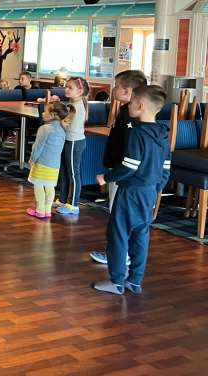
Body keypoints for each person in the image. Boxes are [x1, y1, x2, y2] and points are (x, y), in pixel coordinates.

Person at [93, 84, 170, 295]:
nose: (129, 106)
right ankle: (135, 281)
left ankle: (117, 282)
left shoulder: (136, 132)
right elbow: (165, 168)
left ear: (140, 106)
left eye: (132, 102)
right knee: (141, 235)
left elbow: (129, 166)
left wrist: (106, 177)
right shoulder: (163, 133)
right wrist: (156, 190)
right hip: (149, 191)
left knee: (118, 234)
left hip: (131, 192)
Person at [89, 70, 148, 265]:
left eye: (116, 86)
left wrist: (112, 174)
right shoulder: (126, 112)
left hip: (122, 172)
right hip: (123, 171)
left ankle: (118, 255)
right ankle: (124, 253)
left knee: (118, 214)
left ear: (127, 91)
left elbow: (128, 148)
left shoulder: (128, 116)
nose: (113, 89)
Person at [26, 102, 73, 219]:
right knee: (50, 187)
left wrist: (32, 159)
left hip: (41, 163)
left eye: (45, 111)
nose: (43, 113)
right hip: (55, 165)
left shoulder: (44, 129)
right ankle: (47, 211)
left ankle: (40, 210)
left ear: (52, 115)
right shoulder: (62, 130)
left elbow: (38, 147)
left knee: (38, 186)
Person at [56, 77, 90, 215]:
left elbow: (65, 124)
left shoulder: (74, 106)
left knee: (73, 174)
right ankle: (63, 200)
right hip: (70, 140)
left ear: (80, 91)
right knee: (64, 171)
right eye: (66, 86)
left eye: (70, 87)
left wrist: (56, 119)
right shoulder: (74, 103)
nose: (66, 89)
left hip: (74, 142)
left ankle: (74, 204)